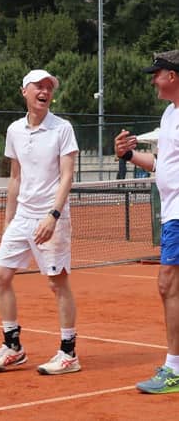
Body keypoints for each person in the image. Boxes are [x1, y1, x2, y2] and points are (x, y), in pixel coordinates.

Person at [0, 69, 80, 375]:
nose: (45, 91)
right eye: (39, 85)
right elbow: (15, 178)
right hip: (21, 217)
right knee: (0, 277)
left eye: (50, 87)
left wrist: (53, 215)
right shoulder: (14, 131)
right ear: (25, 91)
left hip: (50, 216)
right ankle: (13, 347)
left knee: (57, 283)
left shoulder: (62, 129)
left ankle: (68, 353)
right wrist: (8, 223)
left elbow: (67, 176)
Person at [114, 50, 179, 394]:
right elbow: (161, 165)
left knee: (168, 285)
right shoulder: (170, 115)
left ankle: (174, 369)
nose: (153, 79)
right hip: (172, 213)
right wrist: (128, 155)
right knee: (170, 286)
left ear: (173, 75)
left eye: (157, 73)